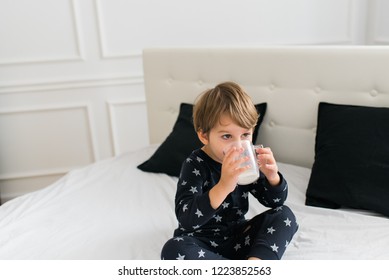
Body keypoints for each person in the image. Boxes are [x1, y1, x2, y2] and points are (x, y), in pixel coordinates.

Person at [161, 81, 298, 260]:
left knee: (284, 215)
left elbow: (274, 201)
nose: (238, 144)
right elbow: (186, 218)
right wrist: (224, 184)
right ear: (204, 135)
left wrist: (273, 177)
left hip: (239, 236)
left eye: (245, 135)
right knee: (173, 249)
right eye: (227, 136)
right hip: (201, 241)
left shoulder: (247, 159)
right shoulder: (195, 164)